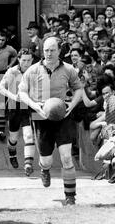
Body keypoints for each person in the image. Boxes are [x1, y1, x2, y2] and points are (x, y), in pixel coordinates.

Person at [18, 36, 83, 205]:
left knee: (66, 157)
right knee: (46, 160)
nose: (48, 53)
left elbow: (78, 89)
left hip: (62, 115)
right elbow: (22, 92)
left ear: (59, 51)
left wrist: (72, 105)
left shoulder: (68, 69)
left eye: (52, 50)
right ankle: (45, 169)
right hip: (41, 116)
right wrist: (34, 105)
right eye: (46, 50)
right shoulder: (32, 70)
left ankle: (70, 197)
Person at [0, 49, 36, 175]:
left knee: (29, 136)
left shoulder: (36, 71)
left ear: (32, 60)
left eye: (29, 60)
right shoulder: (12, 71)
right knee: (13, 138)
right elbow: (1, 88)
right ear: (19, 59)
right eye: (24, 60)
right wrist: (13, 97)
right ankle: (12, 155)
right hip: (14, 107)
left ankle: (28, 164)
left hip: (28, 106)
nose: (26, 63)